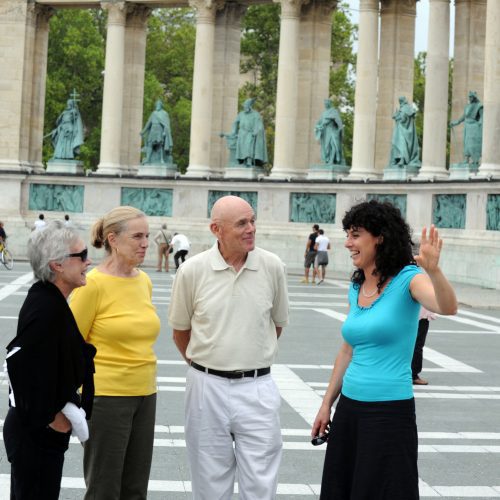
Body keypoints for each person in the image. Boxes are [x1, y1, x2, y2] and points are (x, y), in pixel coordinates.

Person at [311, 200, 457, 499]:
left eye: (355, 235)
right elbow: (347, 351)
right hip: (350, 409)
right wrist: (327, 404)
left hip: (389, 413)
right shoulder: (356, 286)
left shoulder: (408, 279)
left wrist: (435, 272)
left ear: (379, 237)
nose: (348, 243)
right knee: (344, 489)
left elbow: (447, 306)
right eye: (347, 234)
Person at [168, 195, 289, 500]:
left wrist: (248, 353)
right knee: (209, 482)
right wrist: (207, 363)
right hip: (206, 386)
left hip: (257, 386)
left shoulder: (273, 266)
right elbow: (180, 331)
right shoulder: (192, 270)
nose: (251, 229)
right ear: (216, 229)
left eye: (252, 221)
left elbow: (276, 324)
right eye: (241, 223)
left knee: (261, 483)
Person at [69, 206, 161, 500]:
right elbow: (68, 345)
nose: (145, 242)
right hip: (105, 397)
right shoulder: (91, 284)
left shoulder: (143, 281)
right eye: (137, 236)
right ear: (113, 239)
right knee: (104, 488)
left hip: (145, 393)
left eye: (146, 235)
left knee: (135, 489)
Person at [3, 221, 95, 499]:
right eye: (81, 256)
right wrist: (53, 419)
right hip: (37, 434)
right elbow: (19, 364)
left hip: (36, 433)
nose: (88, 261)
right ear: (57, 264)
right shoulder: (46, 307)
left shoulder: (49, 300)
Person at [230, 98, 268, 167]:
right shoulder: (241, 114)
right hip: (241, 133)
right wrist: (233, 132)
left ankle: (249, 161)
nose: (245, 107)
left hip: (250, 133)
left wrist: (256, 132)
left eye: (246, 106)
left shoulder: (256, 114)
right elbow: (235, 123)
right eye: (244, 106)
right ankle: (241, 161)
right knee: (241, 148)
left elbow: (259, 125)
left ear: (250, 106)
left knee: (248, 146)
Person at [450, 90, 483, 168]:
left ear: (474, 97)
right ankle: (466, 158)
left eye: (471, 97)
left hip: (474, 126)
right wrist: (455, 122)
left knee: (473, 143)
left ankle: (475, 160)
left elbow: (482, 117)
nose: (470, 98)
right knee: (466, 143)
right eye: (469, 97)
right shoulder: (467, 107)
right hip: (467, 126)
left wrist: (480, 123)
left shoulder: (479, 106)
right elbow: (463, 117)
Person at [389, 96, 421, 168]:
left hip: (403, 131)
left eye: (400, 101)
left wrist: (396, 117)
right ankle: (397, 159)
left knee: (402, 144)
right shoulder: (406, 108)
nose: (400, 102)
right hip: (401, 130)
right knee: (397, 144)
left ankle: (402, 159)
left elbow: (403, 119)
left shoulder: (404, 109)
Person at [140, 99, 173, 165]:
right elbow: (148, 123)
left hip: (159, 130)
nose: (157, 106)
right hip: (153, 130)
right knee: (150, 144)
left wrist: (164, 132)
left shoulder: (164, 113)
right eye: (156, 104)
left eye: (159, 104)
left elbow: (166, 125)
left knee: (160, 145)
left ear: (161, 105)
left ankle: (161, 159)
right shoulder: (154, 113)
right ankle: (148, 159)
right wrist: (143, 131)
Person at [315, 99, 345, 165]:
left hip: (332, 130)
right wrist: (318, 127)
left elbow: (339, 121)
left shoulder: (334, 111)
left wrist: (339, 129)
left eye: (326, 103)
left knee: (333, 144)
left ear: (329, 103)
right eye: (324, 103)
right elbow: (318, 123)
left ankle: (331, 160)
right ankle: (327, 160)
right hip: (325, 132)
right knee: (326, 147)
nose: (325, 104)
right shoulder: (324, 113)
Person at [412, 306, 437, 386]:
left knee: (414, 345)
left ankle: (412, 374)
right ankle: (413, 375)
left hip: (412, 313)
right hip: (420, 314)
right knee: (417, 345)